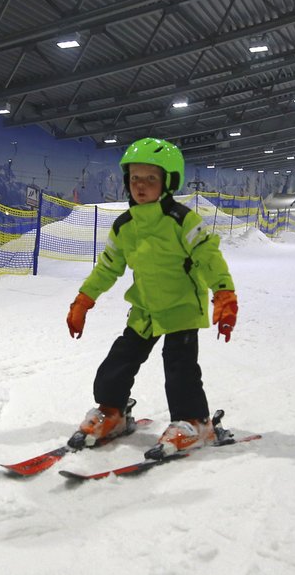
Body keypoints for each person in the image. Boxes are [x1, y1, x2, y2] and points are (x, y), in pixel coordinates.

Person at [65, 137, 238, 459]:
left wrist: (224, 294)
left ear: (168, 182)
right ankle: (112, 412)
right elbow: (107, 267)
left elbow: (208, 257)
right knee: (117, 364)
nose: (140, 186)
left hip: (182, 309)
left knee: (180, 369)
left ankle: (194, 422)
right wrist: (83, 300)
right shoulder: (125, 226)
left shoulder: (182, 220)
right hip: (144, 310)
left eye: (150, 179)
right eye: (134, 179)